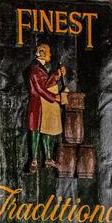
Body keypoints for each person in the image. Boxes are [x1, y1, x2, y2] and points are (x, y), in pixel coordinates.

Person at [24, 43, 66, 171]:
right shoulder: (34, 69)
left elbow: (47, 83)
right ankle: (34, 160)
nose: (50, 55)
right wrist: (55, 98)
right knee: (35, 131)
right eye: (48, 53)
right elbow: (40, 89)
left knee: (47, 131)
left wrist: (57, 75)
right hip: (38, 105)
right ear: (42, 53)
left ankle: (48, 159)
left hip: (46, 105)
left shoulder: (44, 67)